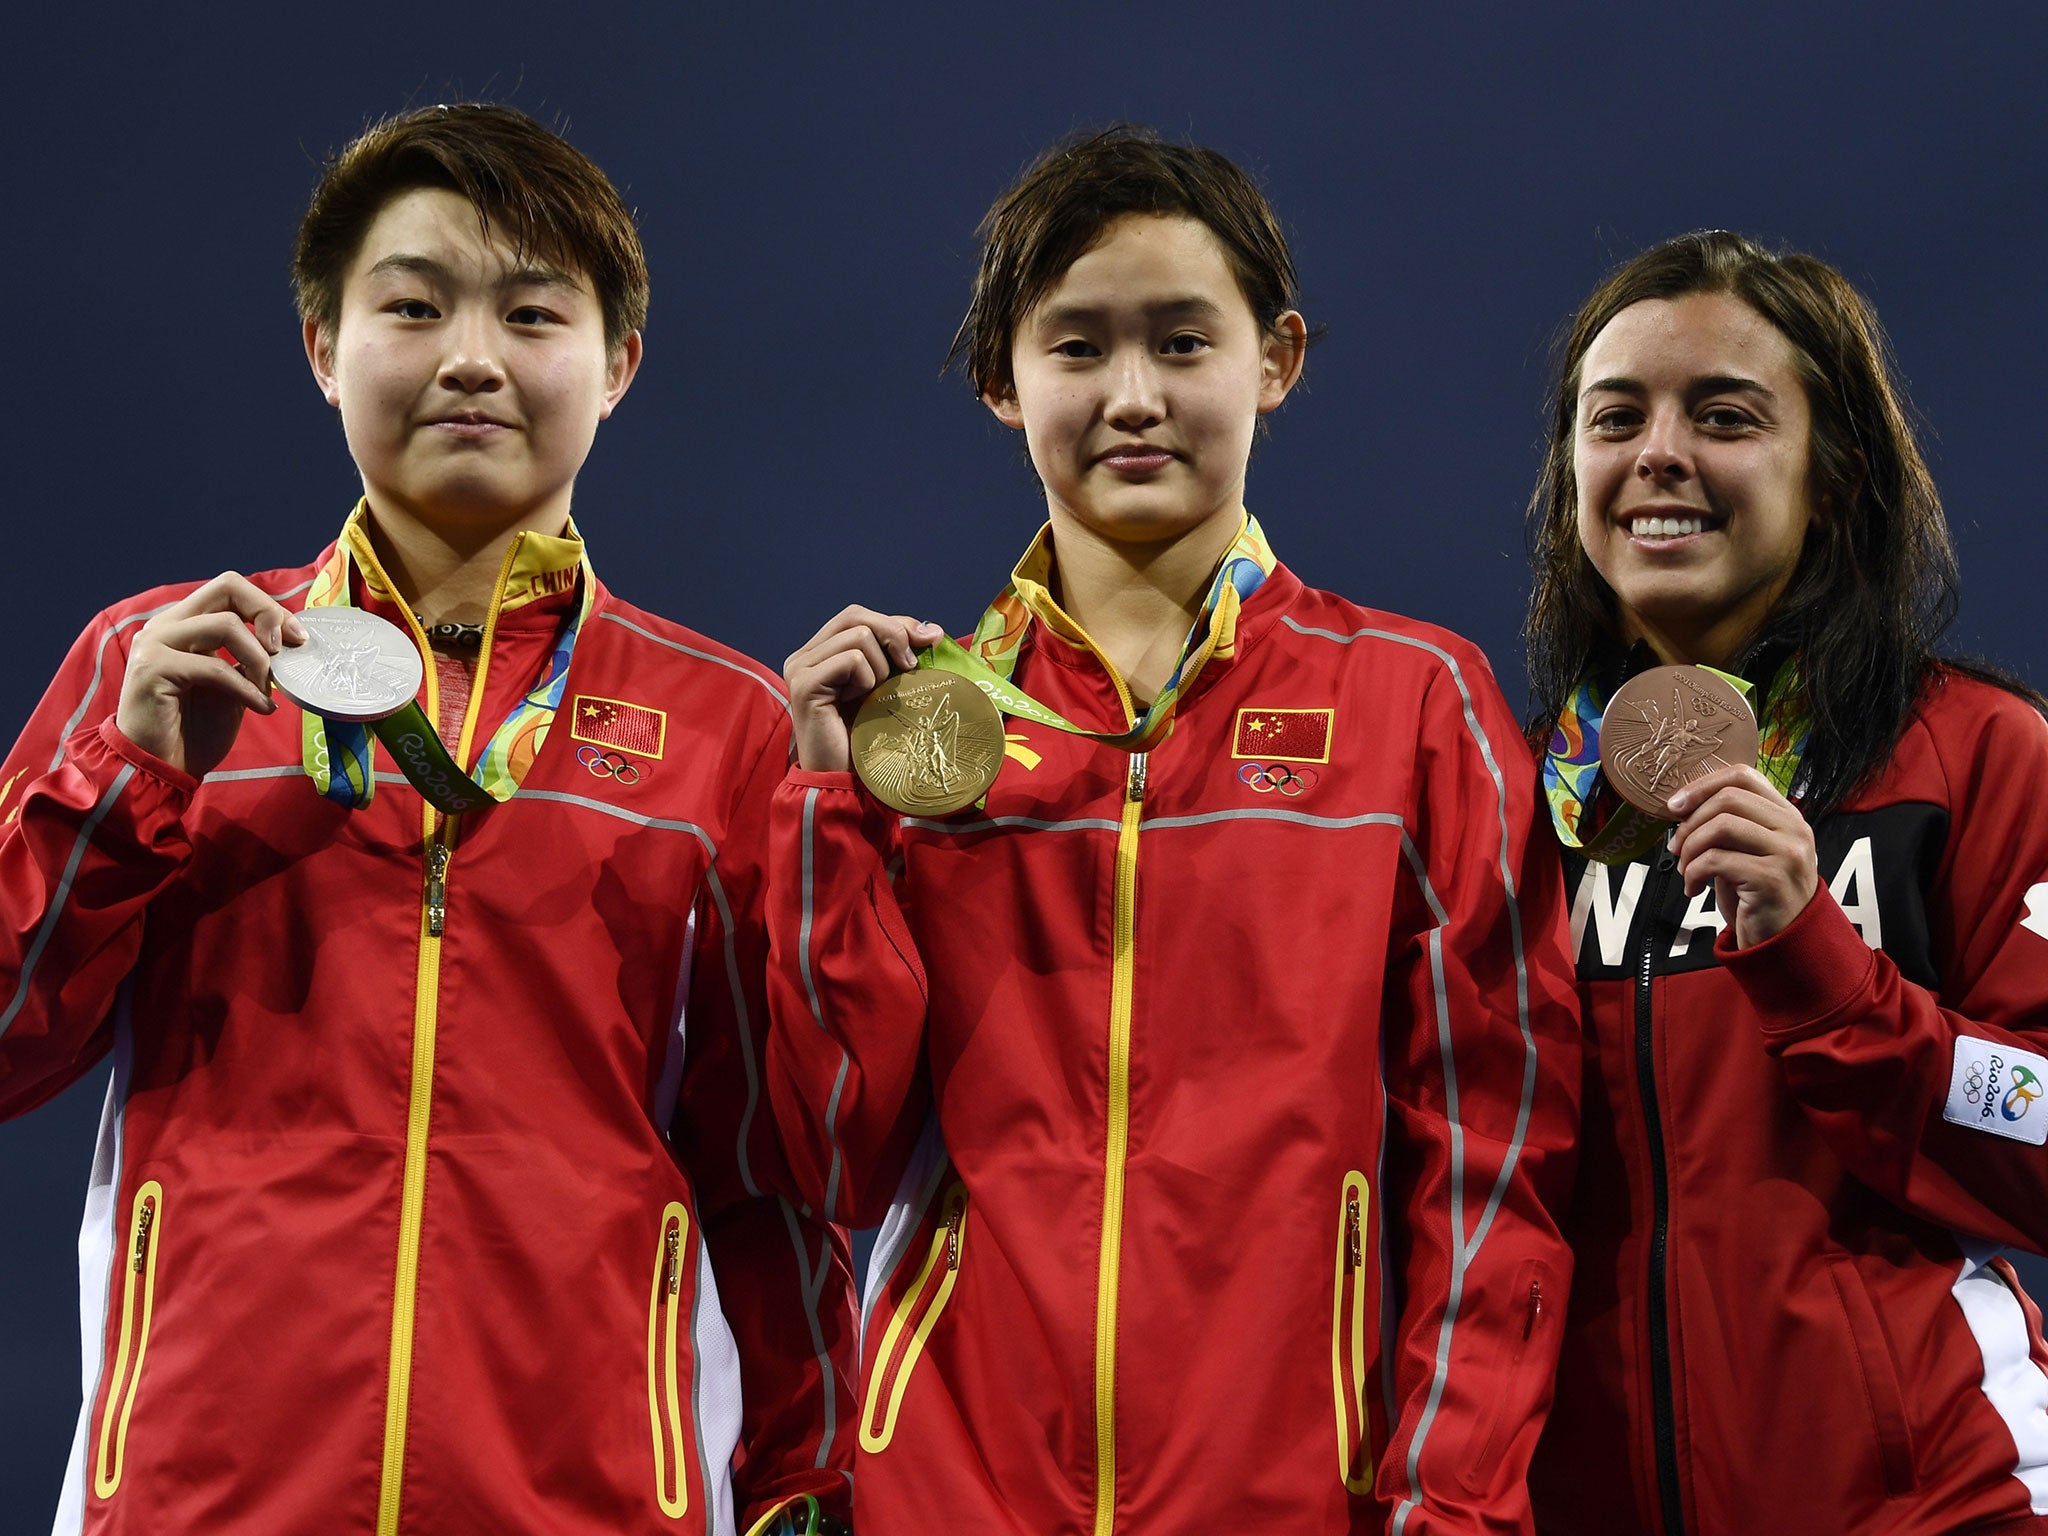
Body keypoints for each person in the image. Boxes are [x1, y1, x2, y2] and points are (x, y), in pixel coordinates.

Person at [0, 104, 852, 1536]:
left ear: (618, 364)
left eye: (531, 311)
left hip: (583, 1505)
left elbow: (775, 1192)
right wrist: (131, 774)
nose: (470, 357)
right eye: (413, 304)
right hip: (202, 1499)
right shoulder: (163, 663)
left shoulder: (731, 729)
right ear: (325, 346)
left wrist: (805, 1482)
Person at [770, 125, 1581, 1533]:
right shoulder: (918, 743)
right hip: (952, 1495)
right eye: (1076, 347)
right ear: (998, 384)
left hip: (1291, 1496)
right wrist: (821, 812)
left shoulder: (1415, 706)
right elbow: (832, 1152)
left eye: (1183, 342)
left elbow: (1498, 1167)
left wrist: (1452, 1511)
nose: (1133, 395)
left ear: (1277, 361)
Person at [1522, 230, 2048, 1535]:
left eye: (1724, 416)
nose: (1660, 455)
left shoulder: (1978, 758)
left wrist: (1825, 966)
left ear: (1836, 474)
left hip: (1935, 1505)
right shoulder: (1511, 805)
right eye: (1616, 417)